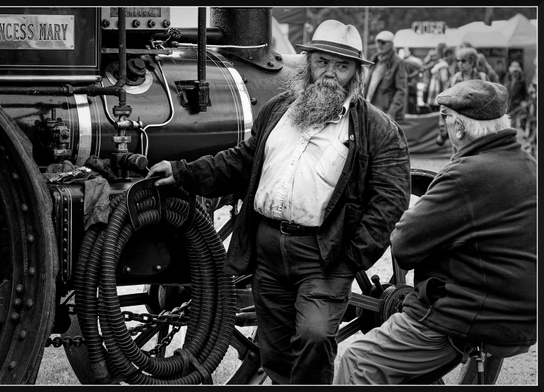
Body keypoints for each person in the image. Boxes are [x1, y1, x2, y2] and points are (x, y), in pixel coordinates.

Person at [147, 19, 411, 384]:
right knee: (274, 350)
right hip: (268, 250)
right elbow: (239, 161)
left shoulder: (376, 129)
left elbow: (389, 202)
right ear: (308, 64)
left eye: (342, 65)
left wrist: (352, 257)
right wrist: (182, 173)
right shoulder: (279, 110)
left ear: (356, 74)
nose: (330, 74)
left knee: (314, 336)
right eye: (322, 62)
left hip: (325, 256)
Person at [335, 79, 536, 385]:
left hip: (469, 319)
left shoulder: (464, 176)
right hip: (522, 319)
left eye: (444, 117)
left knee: (357, 361)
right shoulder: (530, 167)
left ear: (458, 127)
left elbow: (403, 246)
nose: (444, 125)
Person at [364, 30, 408, 121]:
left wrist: (392, 112)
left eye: (383, 42)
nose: (379, 45)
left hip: (385, 114)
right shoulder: (374, 60)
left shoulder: (398, 62)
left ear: (391, 44)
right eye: (378, 42)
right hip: (369, 109)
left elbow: (401, 90)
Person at [503, 61, 528, 126]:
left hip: (517, 106)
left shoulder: (522, 82)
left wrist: (524, 101)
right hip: (507, 105)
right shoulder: (507, 79)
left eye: (516, 72)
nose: (515, 73)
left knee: (515, 123)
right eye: (514, 72)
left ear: (519, 72)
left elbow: (525, 94)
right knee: (507, 122)